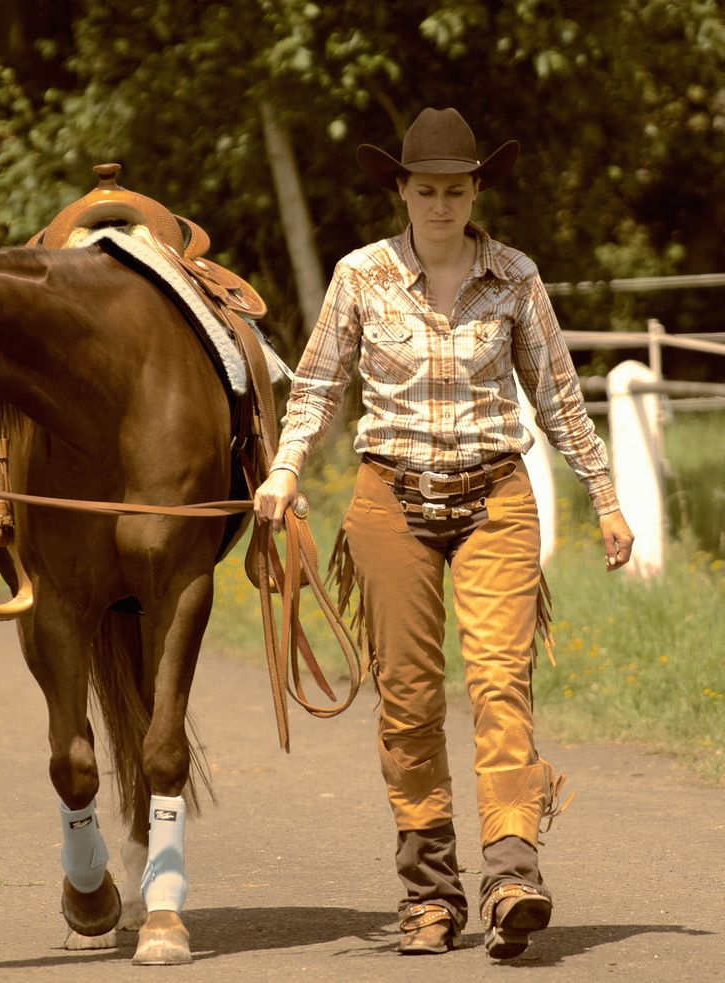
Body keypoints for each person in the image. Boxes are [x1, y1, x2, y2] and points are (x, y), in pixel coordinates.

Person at [253, 107, 635, 960]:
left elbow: (559, 396)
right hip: (389, 502)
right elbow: (315, 387)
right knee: (408, 701)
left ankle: (511, 875)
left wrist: (604, 497)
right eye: (425, 189)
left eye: (456, 190)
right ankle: (429, 892)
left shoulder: (516, 278)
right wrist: (283, 472)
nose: (441, 205)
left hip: (496, 495)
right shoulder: (359, 278)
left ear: (475, 192)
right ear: (400, 190)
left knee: (502, 682)